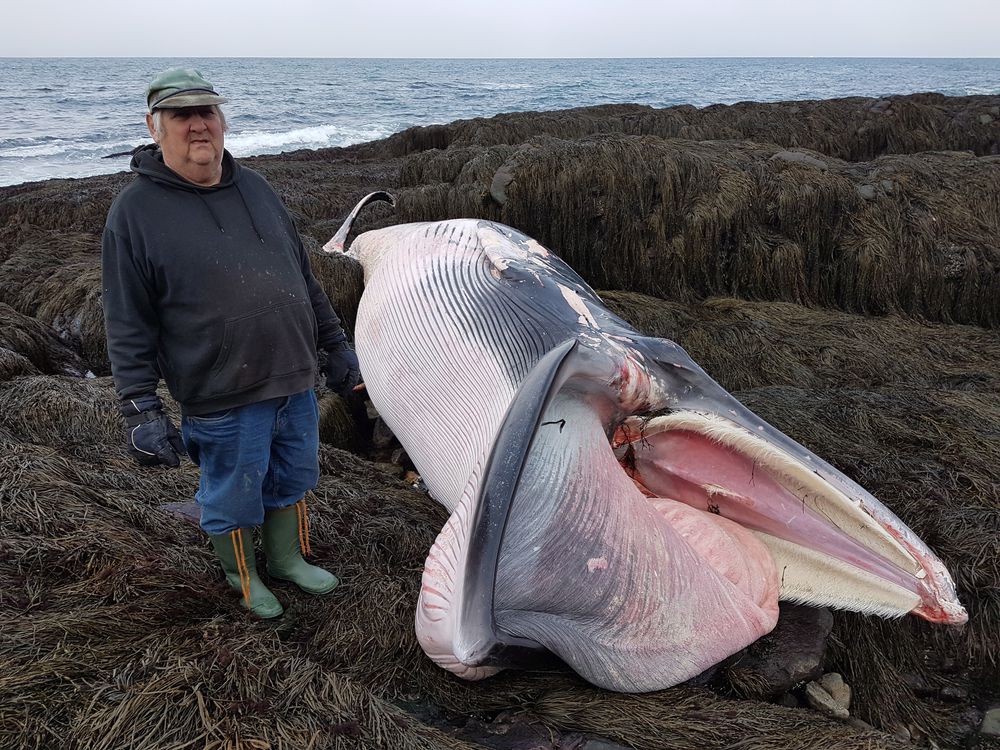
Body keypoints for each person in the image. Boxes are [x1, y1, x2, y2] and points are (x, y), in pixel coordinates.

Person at [101, 67, 361, 618]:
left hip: (294, 377)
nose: (198, 125)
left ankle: (287, 559)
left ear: (222, 120)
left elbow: (302, 277)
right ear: (154, 126)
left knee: (293, 474)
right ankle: (242, 574)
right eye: (182, 115)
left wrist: (335, 348)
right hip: (221, 391)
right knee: (233, 491)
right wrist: (138, 406)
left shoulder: (257, 188)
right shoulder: (134, 214)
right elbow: (128, 320)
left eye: (207, 113)